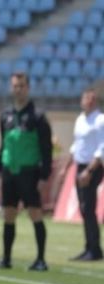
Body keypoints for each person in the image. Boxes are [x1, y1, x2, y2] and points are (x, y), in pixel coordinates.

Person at [0, 72, 53, 271]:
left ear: (28, 88)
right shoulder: (5, 115)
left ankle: (41, 260)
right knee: (8, 214)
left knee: (35, 213)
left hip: (29, 171)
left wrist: (44, 175)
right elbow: (3, 145)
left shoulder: (38, 116)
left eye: (22, 86)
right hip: (9, 171)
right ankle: (6, 259)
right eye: (15, 86)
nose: (18, 89)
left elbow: (46, 149)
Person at [64, 88, 104, 261]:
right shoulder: (80, 119)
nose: (88, 101)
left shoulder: (100, 120)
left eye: (91, 98)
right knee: (83, 208)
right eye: (85, 98)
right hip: (80, 166)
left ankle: (94, 249)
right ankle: (89, 246)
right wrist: (68, 164)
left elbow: (102, 148)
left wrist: (89, 170)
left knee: (88, 207)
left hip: (92, 167)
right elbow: (77, 144)